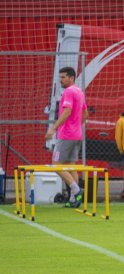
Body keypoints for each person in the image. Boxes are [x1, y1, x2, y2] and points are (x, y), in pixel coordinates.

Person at [45, 67, 88, 208]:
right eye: (60, 77)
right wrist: (76, 126)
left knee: (56, 165)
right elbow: (85, 114)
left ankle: (76, 190)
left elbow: (67, 111)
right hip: (76, 134)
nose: (61, 80)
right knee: (70, 167)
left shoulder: (69, 91)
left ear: (71, 78)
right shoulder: (79, 91)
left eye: (63, 77)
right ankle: (73, 199)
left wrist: (53, 128)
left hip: (66, 135)